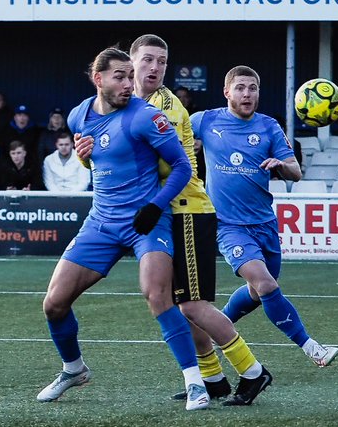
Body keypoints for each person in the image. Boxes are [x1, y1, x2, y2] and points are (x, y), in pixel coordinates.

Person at [37, 47, 210, 411]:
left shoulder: (146, 116)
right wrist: (83, 156)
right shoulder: (78, 115)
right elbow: (95, 160)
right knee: (54, 303)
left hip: (147, 221)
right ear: (98, 79)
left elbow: (182, 166)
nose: (129, 84)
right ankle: (74, 370)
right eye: (120, 76)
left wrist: (155, 206)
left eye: (130, 76)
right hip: (101, 223)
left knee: (156, 295)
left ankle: (195, 382)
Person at [128, 35, 271, 406]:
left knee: (194, 305)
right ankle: (213, 379)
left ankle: (253, 372)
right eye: (148, 60)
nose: (155, 67)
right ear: (132, 62)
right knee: (181, 305)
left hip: (188, 210)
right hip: (169, 212)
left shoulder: (166, 107)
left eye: (162, 61)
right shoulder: (132, 103)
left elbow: (157, 164)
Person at [192, 65, 338, 370]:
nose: (247, 94)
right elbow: (167, 135)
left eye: (253, 88)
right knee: (265, 284)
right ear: (227, 92)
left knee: (257, 292)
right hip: (228, 226)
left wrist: (280, 165)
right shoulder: (205, 120)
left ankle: (215, 328)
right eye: (240, 88)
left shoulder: (269, 126)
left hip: (264, 224)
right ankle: (312, 348)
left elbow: (296, 172)